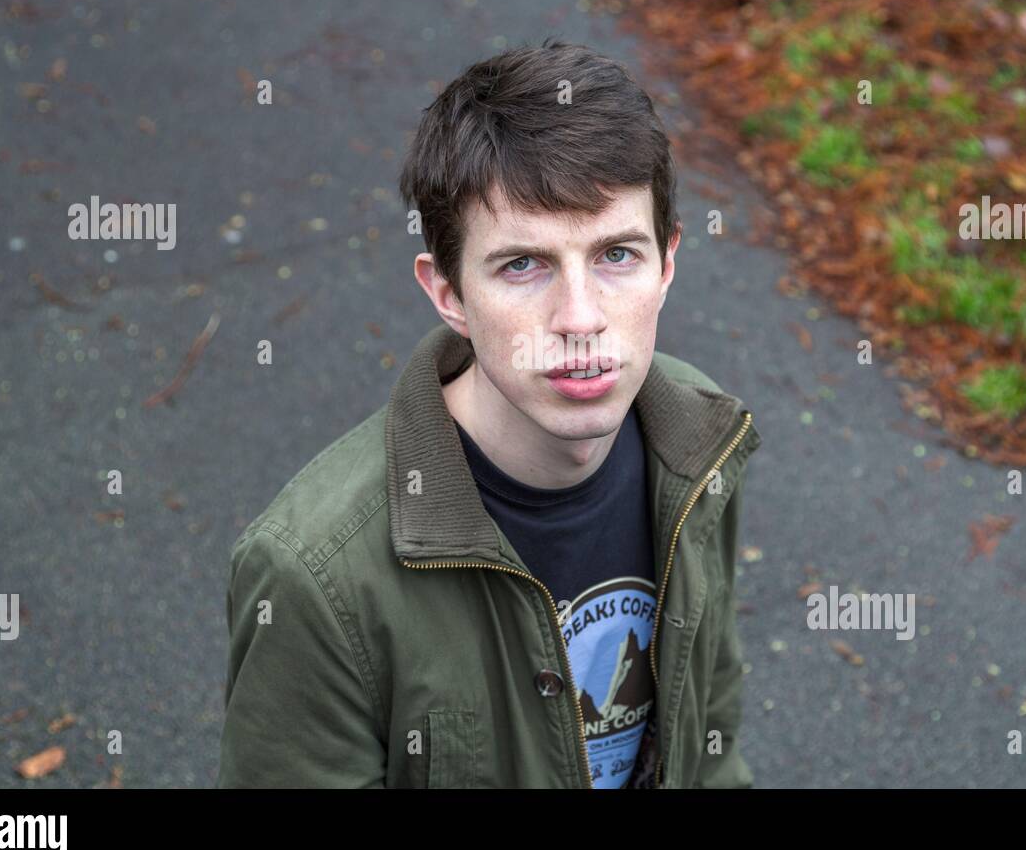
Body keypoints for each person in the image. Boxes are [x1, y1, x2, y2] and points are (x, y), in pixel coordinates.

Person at [218, 39, 762, 788]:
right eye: (522, 264)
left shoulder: (700, 446)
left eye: (616, 256)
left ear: (667, 265)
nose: (579, 318)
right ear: (447, 295)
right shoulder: (315, 577)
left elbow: (712, 736)